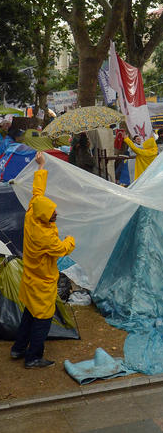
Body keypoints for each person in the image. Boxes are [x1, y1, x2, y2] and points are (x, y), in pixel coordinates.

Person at [10, 152, 75, 368]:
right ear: (45, 217)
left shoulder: (32, 214)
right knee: (43, 319)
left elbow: (38, 192)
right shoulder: (46, 237)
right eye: (53, 214)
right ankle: (33, 357)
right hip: (42, 282)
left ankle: (18, 349)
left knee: (29, 313)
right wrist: (72, 239)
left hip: (30, 278)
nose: (55, 214)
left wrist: (41, 165)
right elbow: (63, 248)